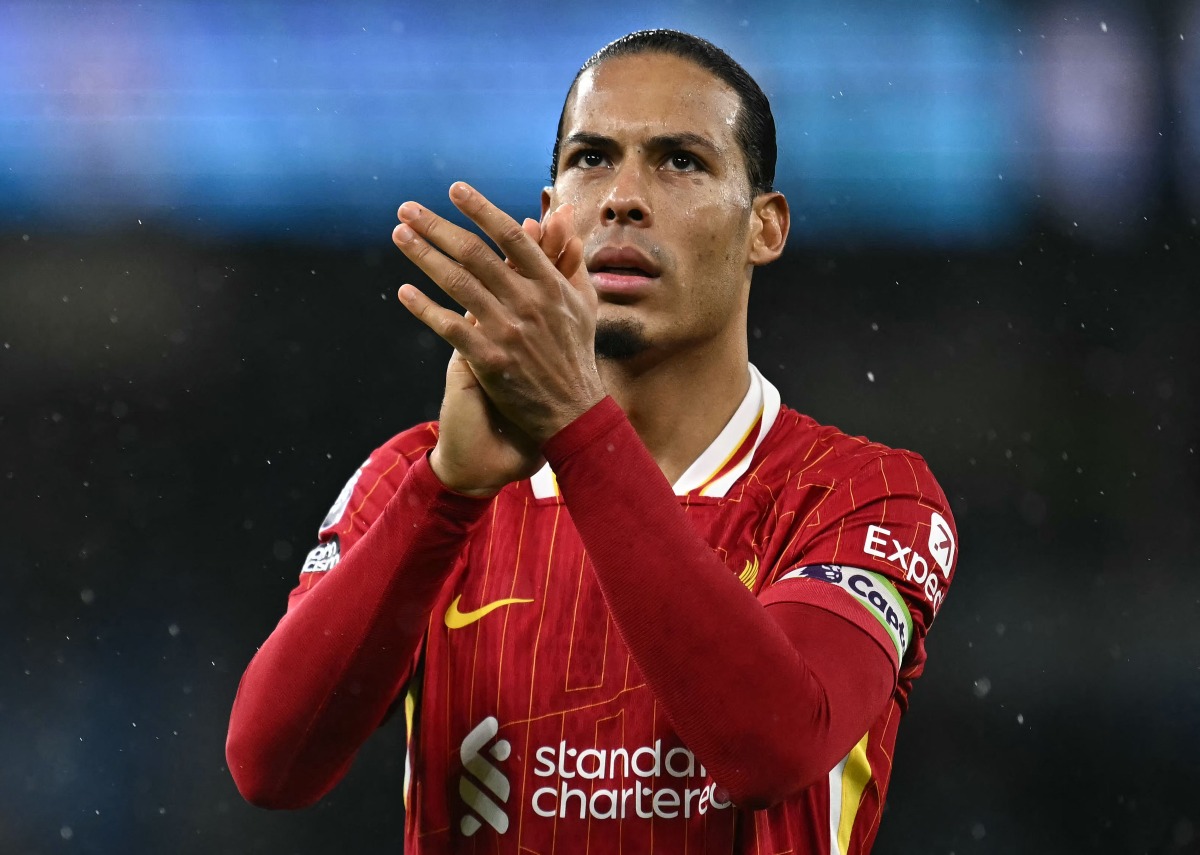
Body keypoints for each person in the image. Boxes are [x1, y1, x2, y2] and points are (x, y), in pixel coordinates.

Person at [226, 29, 958, 854]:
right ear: (551, 216)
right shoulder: (418, 477)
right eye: (592, 159)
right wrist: (446, 493)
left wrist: (578, 428)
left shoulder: (865, 494)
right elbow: (271, 766)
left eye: (681, 161)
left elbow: (770, 746)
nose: (623, 197)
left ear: (766, 227)